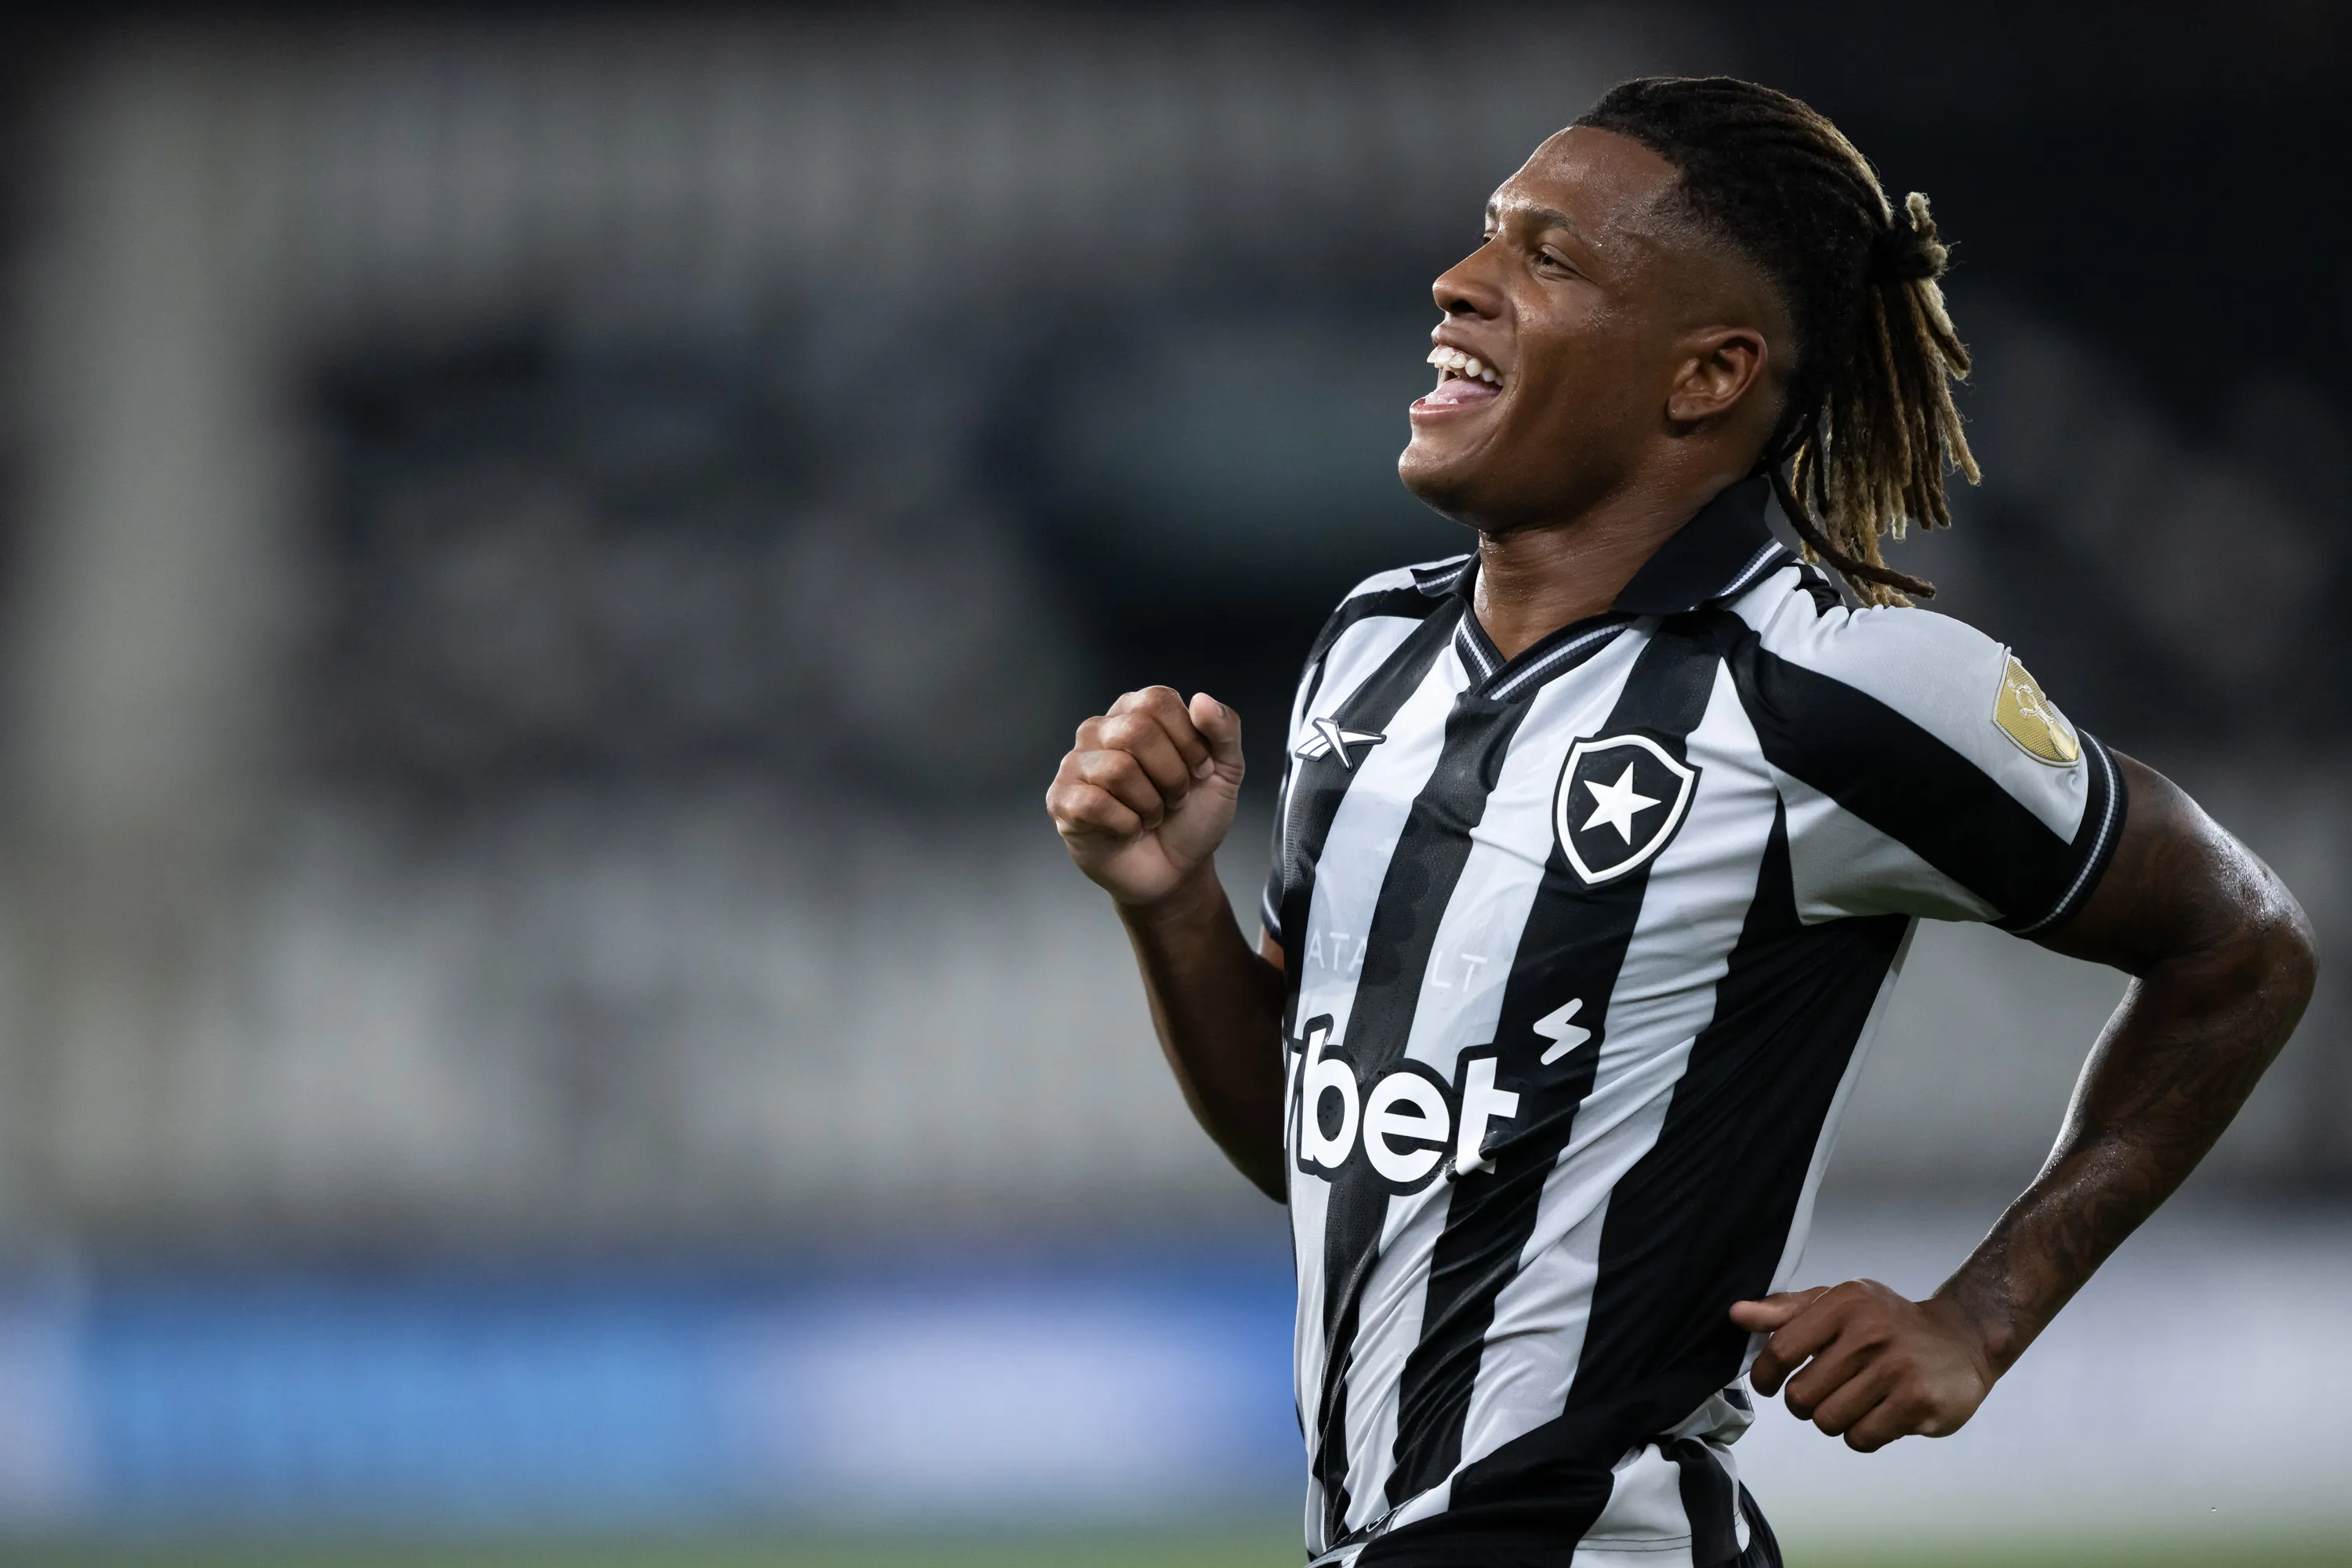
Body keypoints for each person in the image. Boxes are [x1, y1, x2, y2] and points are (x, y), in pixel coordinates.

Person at [1044, 75, 2315, 1567]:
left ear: (1706, 375)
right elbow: (1322, 1155)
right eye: (1487, 237)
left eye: (1550, 257)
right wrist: (1170, 903)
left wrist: (1984, 1312)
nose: (1461, 283)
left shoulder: (1836, 687)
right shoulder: (1370, 654)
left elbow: (2242, 944)